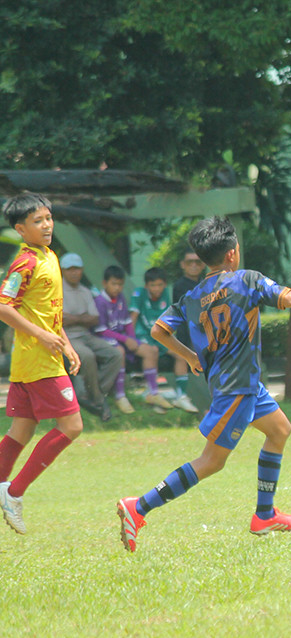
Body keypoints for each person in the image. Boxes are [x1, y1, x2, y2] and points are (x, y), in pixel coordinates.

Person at [116, 215, 291, 552]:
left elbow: (157, 331)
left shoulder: (193, 296)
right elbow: (287, 298)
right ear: (231, 254)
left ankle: (264, 515)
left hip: (243, 384)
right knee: (211, 461)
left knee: (279, 430)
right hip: (236, 388)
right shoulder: (246, 281)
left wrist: (191, 356)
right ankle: (138, 508)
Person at [0, 192, 83, 534]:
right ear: (21, 229)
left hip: (41, 356)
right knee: (72, 427)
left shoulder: (49, 255)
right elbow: (4, 307)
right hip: (38, 362)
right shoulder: (25, 263)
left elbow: (45, 309)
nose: (47, 225)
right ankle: (14, 493)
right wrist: (46, 338)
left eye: (49, 218)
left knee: (22, 430)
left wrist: (64, 342)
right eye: (38, 221)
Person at [94, 265, 174, 413]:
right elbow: (101, 330)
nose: (117, 288)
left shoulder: (120, 298)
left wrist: (132, 339)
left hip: (122, 338)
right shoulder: (100, 301)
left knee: (150, 351)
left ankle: (153, 392)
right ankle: (120, 395)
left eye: (120, 284)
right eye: (113, 284)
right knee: (119, 352)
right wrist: (126, 340)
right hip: (105, 339)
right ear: (104, 283)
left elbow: (127, 322)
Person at [61, 252, 122, 421]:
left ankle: (91, 393)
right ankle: (98, 400)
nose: (74, 273)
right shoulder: (56, 290)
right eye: (70, 269)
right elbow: (60, 321)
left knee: (115, 355)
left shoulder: (86, 291)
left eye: (77, 269)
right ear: (63, 271)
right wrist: (82, 318)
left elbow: (94, 318)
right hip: (68, 338)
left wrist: (73, 318)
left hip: (86, 335)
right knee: (87, 356)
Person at [131, 267, 198, 413]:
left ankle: (181, 396)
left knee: (181, 354)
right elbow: (133, 318)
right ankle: (153, 392)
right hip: (144, 337)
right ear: (146, 285)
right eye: (153, 285)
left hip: (159, 337)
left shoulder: (165, 295)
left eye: (160, 285)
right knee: (152, 351)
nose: (157, 288)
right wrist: (131, 340)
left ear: (164, 285)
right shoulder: (139, 294)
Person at [171, 251, 206, 408]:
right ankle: (182, 395)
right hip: (188, 332)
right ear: (182, 265)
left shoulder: (205, 283)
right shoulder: (180, 285)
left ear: (203, 264)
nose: (194, 265)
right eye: (190, 261)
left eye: (198, 262)